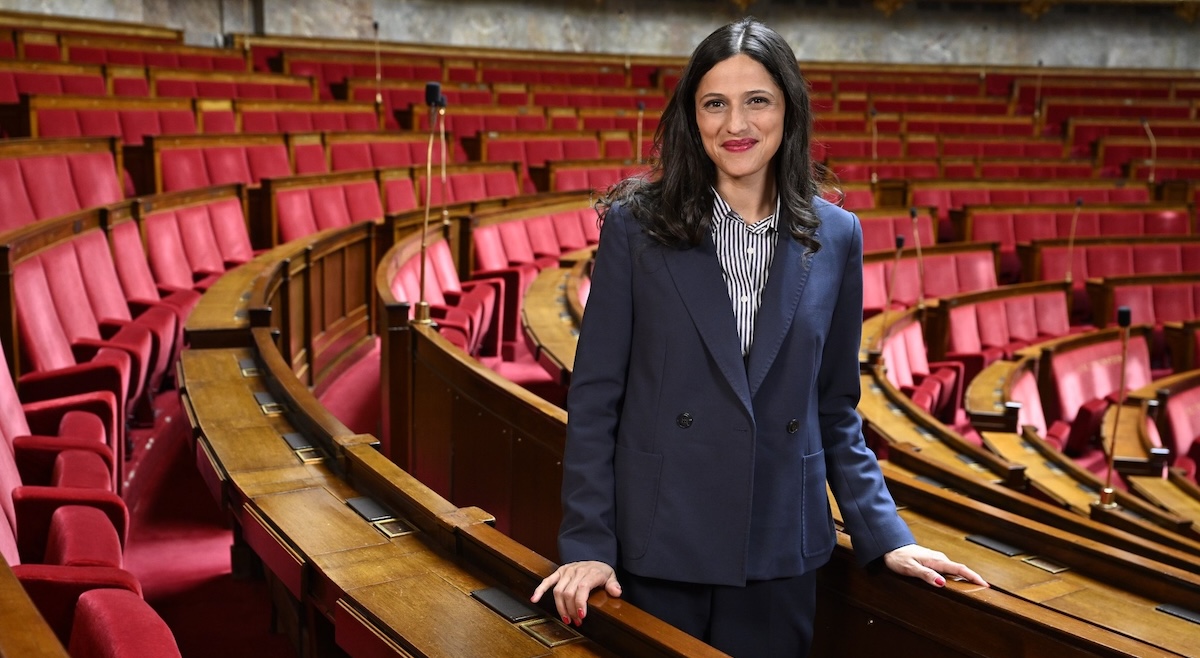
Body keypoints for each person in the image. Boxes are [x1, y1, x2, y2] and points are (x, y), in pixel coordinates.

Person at [531, 17, 987, 657]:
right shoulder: (636, 228)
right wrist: (586, 545)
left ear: (789, 111)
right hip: (661, 540)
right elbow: (596, 402)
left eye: (757, 102)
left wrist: (887, 535)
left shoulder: (838, 235)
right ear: (693, 118)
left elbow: (834, 408)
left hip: (778, 544)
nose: (735, 125)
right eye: (715, 103)